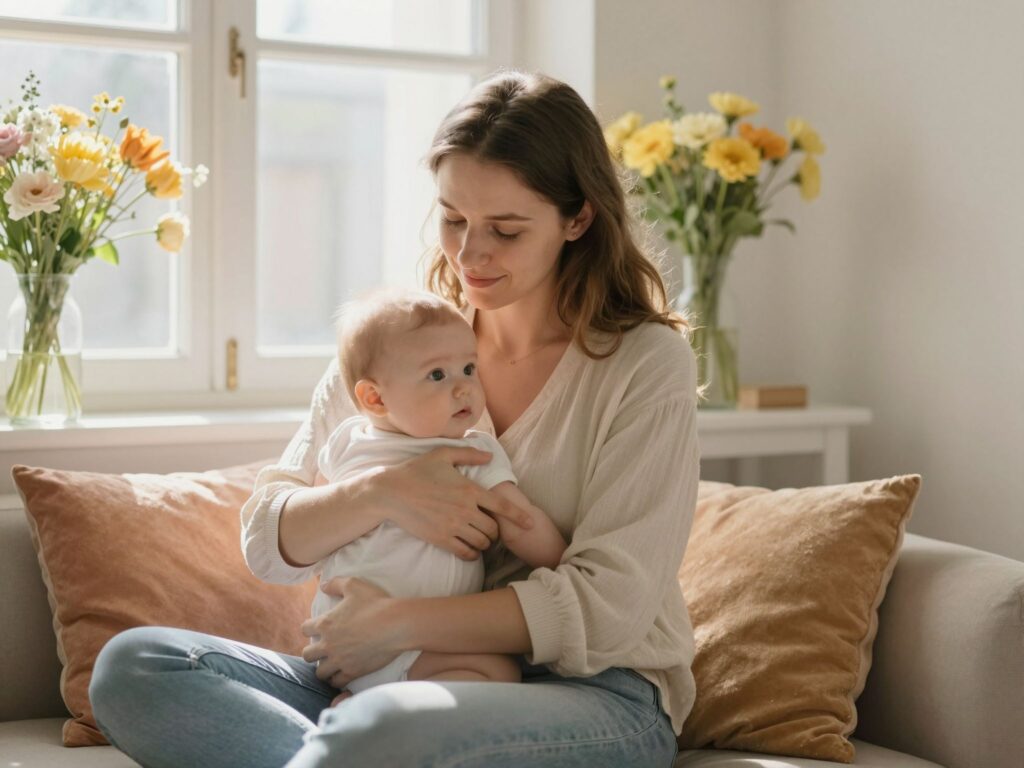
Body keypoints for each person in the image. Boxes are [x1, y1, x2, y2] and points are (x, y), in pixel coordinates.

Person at [90, 69, 701, 768]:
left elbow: (612, 606)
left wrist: (393, 623)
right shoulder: (405, 340)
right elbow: (267, 533)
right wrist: (378, 493)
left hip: (591, 696)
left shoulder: (644, 363)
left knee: (380, 732)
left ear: (578, 218)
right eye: (453, 218)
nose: (470, 253)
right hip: (385, 673)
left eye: (504, 229)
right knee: (137, 667)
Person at [312, 289, 566, 701]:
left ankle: (359, 705)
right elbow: (519, 521)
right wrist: (564, 559)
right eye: (437, 375)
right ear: (374, 397)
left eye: (468, 368)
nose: (464, 388)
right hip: (412, 649)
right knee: (499, 671)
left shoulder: (346, 442)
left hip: (339, 636)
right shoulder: (471, 452)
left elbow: (328, 512)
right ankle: (370, 712)